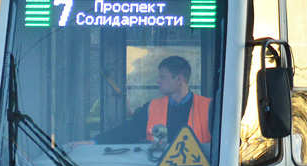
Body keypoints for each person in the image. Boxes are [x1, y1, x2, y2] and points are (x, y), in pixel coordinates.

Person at [81, 56, 212, 158]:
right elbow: (127, 131)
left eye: (162, 77)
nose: (158, 81)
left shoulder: (210, 108)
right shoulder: (151, 107)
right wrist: (95, 142)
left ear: (179, 79)